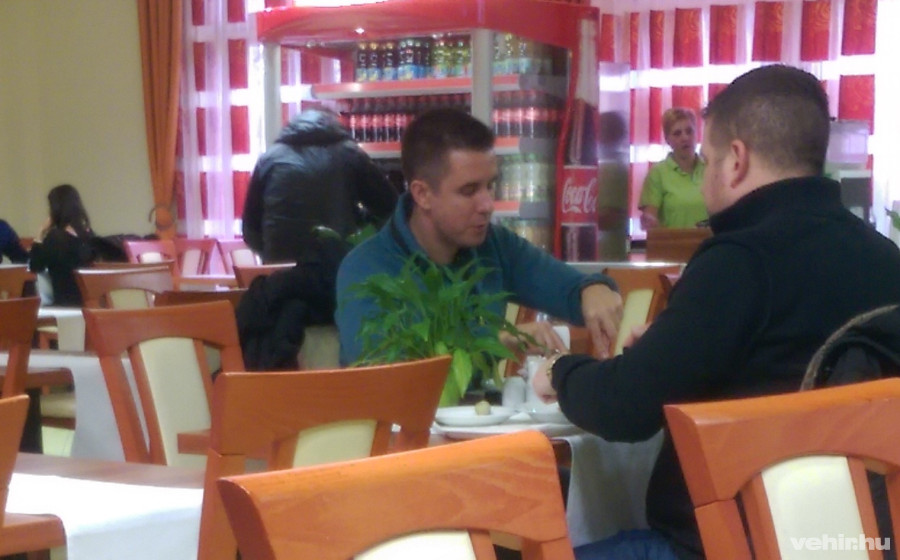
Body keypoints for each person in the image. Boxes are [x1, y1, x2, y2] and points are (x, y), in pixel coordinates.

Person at [532, 64, 900, 560]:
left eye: (707, 160)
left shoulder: (741, 260)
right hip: (860, 538)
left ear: (736, 161)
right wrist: (668, 345)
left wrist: (561, 370)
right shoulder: (885, 258)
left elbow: (624, 408)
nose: (705, 180)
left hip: (728, 542)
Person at [336, 107, 623, 367]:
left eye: (490, 186)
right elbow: (384, 368)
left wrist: (592, 289)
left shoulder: (495, 244)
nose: (487, 205)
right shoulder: (365, 269)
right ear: (422, 194)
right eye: (469, 190)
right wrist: (493, 341)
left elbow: (567, 289)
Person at [241, 107, 400, 264]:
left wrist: (271, 254)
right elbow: (391, 208)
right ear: (335, 124)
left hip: (280, 266)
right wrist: (361, 229)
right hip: (337, 263)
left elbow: (250, 229)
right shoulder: (349, 153)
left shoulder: (270, 158)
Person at [639, 107, 708, 230]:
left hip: (710, 241)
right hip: (672, 241)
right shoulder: (657, 173)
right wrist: (649, 221)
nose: (685, 137)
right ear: (667, 140)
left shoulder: (709, 169)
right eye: (677, 133)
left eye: (689, 131)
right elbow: (650, 219)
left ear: (697, 134)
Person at [28, 184, 97, 306]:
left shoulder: (56, 238)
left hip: (65, 303)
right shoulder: (89, 234)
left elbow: (35, 266)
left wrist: (40, 233)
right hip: (89, 302)